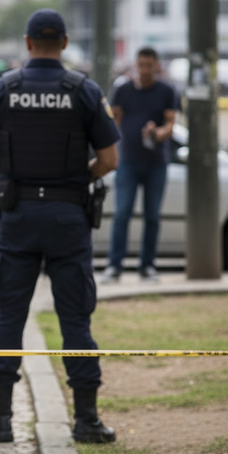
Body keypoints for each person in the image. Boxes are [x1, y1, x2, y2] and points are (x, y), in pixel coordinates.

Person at [0, 8, 119, 444]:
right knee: (76, 317)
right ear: (66, 43)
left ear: (28, 42)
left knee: (9, 316)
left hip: (17, 217)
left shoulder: (3, 89)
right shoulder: (84, 90)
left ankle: (0, 421)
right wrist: (74, 180)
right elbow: (109, 159)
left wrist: (16, 176)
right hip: (68, 217)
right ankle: (87, 420)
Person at [100, 47, 180, 283]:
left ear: (156, 66)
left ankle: (147, 266)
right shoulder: (123, 89)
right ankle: (114, 266)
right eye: (141, 65)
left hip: (156, 162)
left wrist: (157, 133)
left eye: (149, 66)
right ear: (136, 65)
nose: (145, 70)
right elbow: (114, 121)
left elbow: (171, 125)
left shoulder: (167, 90)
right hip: (128, 161)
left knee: (152, 216)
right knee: (122, 213)